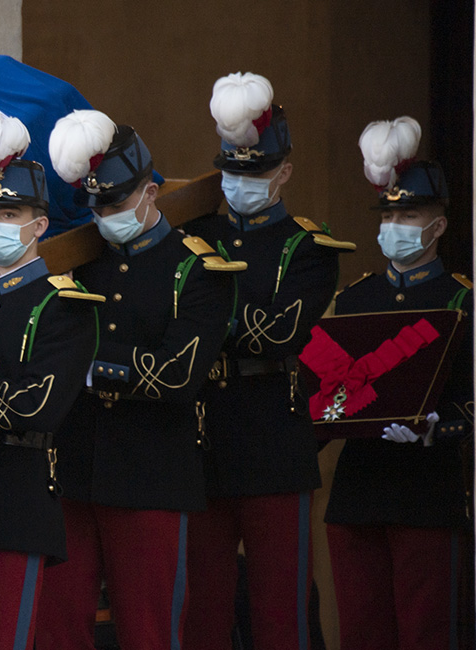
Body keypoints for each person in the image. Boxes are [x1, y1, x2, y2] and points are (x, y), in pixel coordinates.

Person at [37, 109, 241, 649]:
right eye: (97, 204)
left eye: (117, 201)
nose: (106, 214)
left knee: (149, 630)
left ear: (151, 190)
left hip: (151, 473)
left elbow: (177, 375)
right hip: (77, 468)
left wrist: (85, 362)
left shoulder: (196, 271)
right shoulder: (78, 266)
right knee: (60, 628)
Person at [180, 72, 353, 649]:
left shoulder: (308, 249)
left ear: (284, 171)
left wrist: (206, 323)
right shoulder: (195, 237)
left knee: (281, 609)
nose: (242, 183)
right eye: (232, 171)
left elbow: (275, 333)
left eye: (255, 172)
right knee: (201, 609)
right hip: (205, 436)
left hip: (275, 435)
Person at [0, 114, 101, 650]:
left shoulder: (64, 306)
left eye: (9, 213)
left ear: (39, 225)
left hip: (16, 498)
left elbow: (34, 407)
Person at [323, 117, 473, 649]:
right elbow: (328, 388)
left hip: (425, 491)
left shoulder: (462, 300)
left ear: (438, 226)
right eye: (388, 214)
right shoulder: (357, 298)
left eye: (408, 214)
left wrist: (439, 427)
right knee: (361, 632)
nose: (394, 225)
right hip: (358, 491)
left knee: (425, 630)